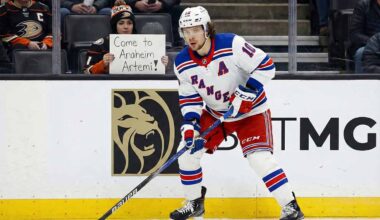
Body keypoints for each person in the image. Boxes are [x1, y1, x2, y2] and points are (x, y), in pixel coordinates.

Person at [170, 6, 304, 220]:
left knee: (259, 159)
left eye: (195, 30)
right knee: (186, 153)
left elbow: (267, 66)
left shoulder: (231, 44)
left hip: (251, 112)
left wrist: (247, 91)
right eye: (185, 31)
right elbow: (190, 98)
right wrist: (190, 127)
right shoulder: (182, 63)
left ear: (206, 29)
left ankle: (291, 206)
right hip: (217, 114)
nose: (190, 36)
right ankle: (194, 202)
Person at [84, 4, 168, 74]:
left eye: (129, 23)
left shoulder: (144, 43)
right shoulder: (99, 45)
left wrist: (162, 64)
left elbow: (153, 70)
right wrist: (103, 64)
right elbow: (86, 72)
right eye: (121, 23)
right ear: (114, 26)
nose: (126, 27)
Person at [118, 0, 184, 47]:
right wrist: (135, 3)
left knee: (177, 10)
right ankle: (124, 44)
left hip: (163, 7)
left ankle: (176, 44)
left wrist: (162, 4)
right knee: (120, 11)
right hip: (132, 7)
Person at [349, 0, 380, 73]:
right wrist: (374, 43)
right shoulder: (363, 5)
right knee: (360, 53)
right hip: (368, 45)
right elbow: (355, 33)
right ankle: (362, 82)